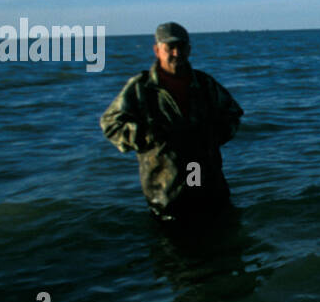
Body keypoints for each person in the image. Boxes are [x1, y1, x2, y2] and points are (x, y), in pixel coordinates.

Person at [100, 22, 244, 224]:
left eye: (182, 47)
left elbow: (233, 114)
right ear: (157, 50)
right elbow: (110, 123)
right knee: (174, 249)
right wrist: (148, 136)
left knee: (221, 243)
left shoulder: (204, 84)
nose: (176, 53)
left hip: (206, 182)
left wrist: (211, 136)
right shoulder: (141, 88)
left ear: (189, 49)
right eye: (170, 48)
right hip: (166, 192)